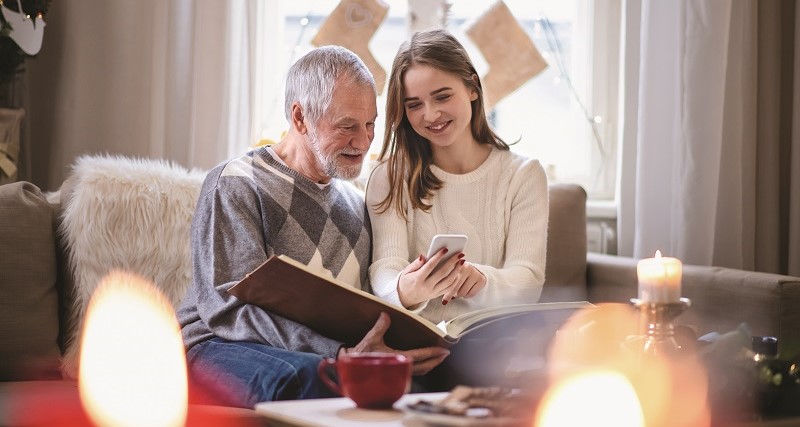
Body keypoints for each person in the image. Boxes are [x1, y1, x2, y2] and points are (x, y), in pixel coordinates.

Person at [177, 45, 449, 408]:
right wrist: (339, 353)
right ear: (300, 118)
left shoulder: (357, 203)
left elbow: (358, 308)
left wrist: (404, 308)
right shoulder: (237, 183)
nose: (364, 141)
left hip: (325, 353)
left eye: (370, 124)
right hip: (217, 345)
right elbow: (225, 309)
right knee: (314, 378)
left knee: (431, 380)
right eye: (347, 126)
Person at [365, 30, 549, 388]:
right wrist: (407, 288)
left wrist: (479, 281)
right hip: (420, 353)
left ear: (472, 88)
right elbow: (385, 267)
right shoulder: (390, 176)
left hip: (494, 351)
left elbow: (528, 280)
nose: (430, 114)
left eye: (442, 96)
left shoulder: (523, 175)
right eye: (413, 104)